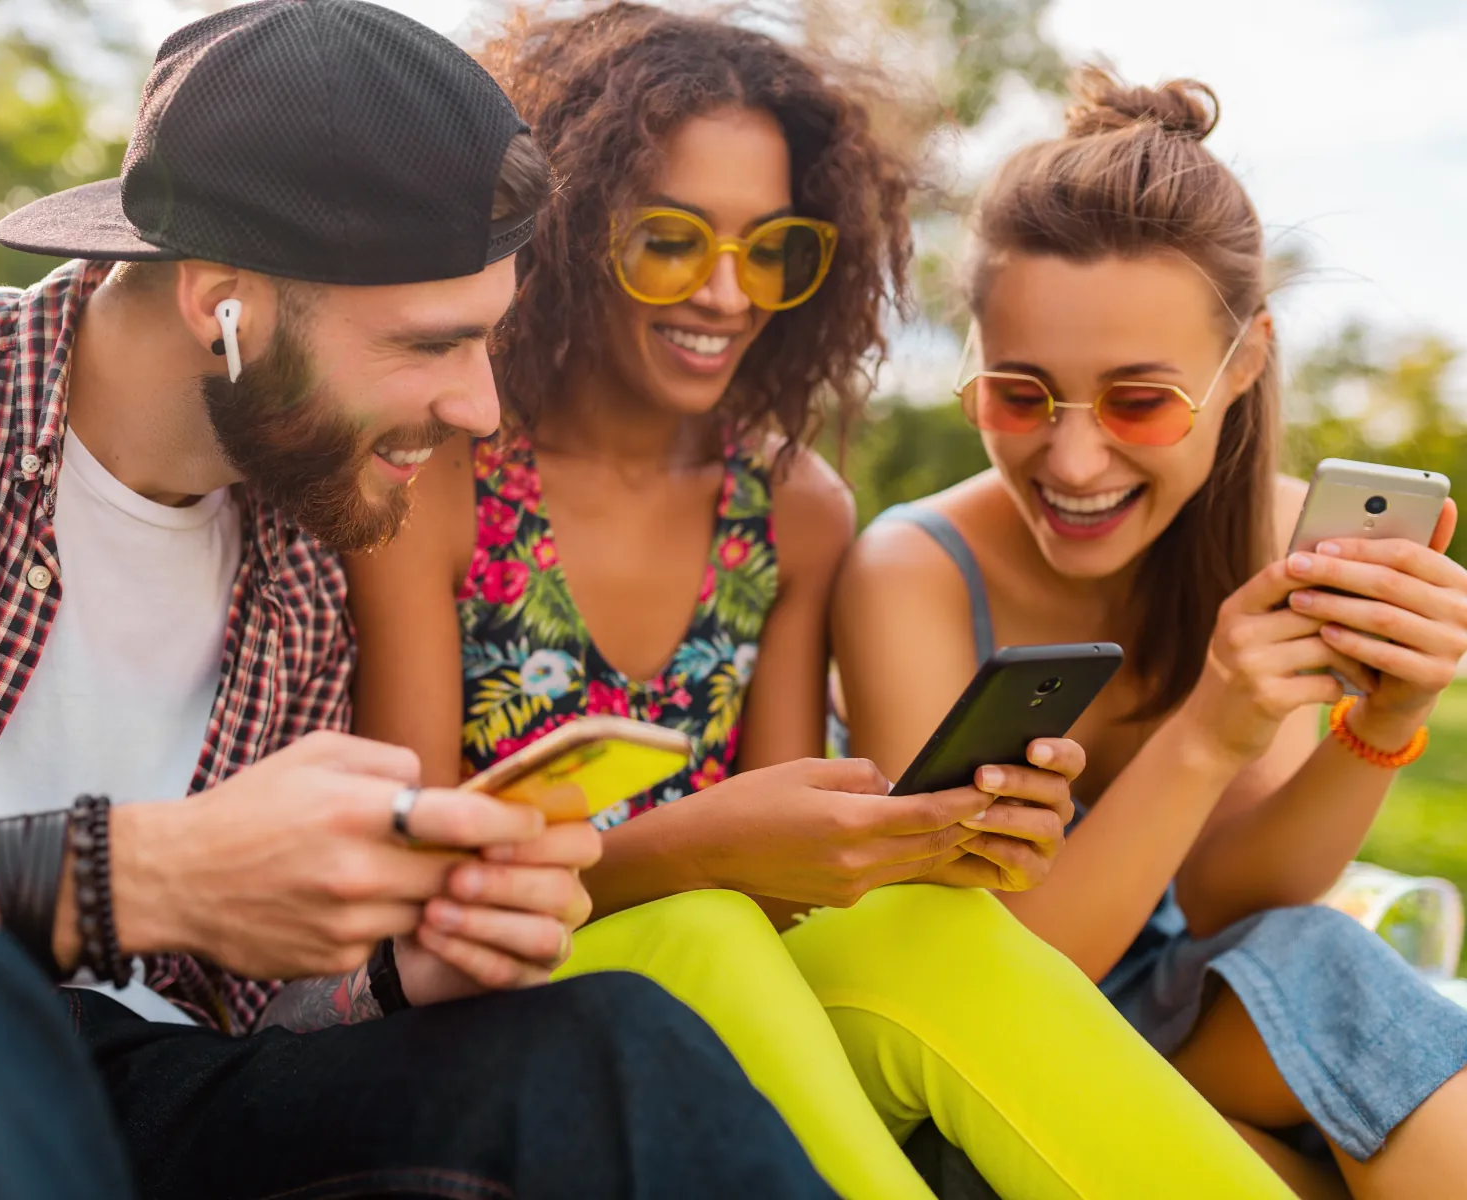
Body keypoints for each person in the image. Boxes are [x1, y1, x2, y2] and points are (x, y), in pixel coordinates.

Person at [0, 4, 849, 1198]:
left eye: (487, 340)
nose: (480, 409)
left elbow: (260, 1024)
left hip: (137, 1098)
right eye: (429, 344)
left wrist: (405, 965)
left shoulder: (311, 544)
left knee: (604, 1052)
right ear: (222, 305)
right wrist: (130, 877)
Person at [348, 7, 1292, 1198]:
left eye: (771, 250)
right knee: (704, 930)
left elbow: (793, 890)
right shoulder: (438, 481)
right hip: (490, 1006)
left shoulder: (790, 508)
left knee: (928, 932)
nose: (726, 293)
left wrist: (929, 839)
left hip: (735, 992)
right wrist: (690, 850)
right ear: (567, 231)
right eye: (669, 242)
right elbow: (408, 902)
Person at [835, 67, 1467, 1200]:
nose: (1075, 463)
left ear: (1246, 362)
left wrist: (1386, 720)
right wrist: (1212, 728)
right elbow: (990, 992)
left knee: (1321, 967)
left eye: (1139, 402)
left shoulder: (1276, 538)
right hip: (974, 1053)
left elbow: (1238, 912)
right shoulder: (909, 573)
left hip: (1180, 1016)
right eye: (1021, 395)